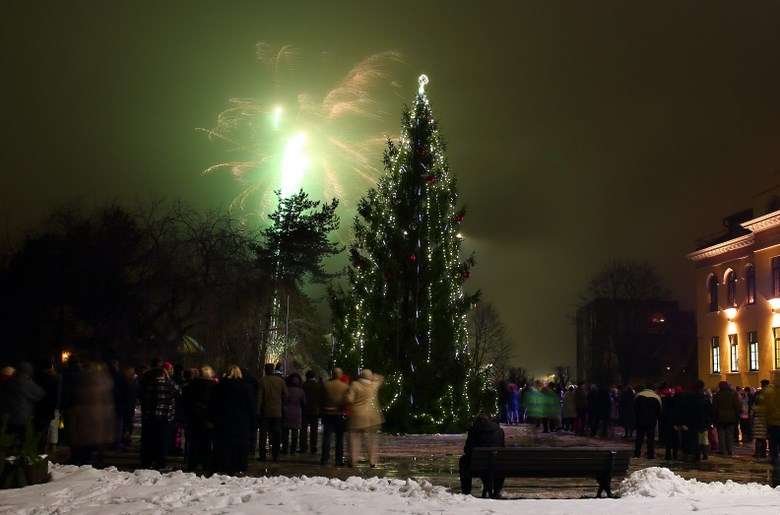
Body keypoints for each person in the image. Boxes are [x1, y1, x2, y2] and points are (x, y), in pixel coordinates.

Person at [66, 360, 115, 466]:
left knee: (84, 447)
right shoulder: (104, 382)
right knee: (92, 447)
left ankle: (85, 462)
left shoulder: (81, 381)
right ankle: (93, 462)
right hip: (96, 420)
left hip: (85, 421)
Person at [212, 366, 254, 474]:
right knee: (240, 444)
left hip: (225, 419)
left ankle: (224, 464)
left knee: (225, 443)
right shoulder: (246, 387)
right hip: (241, 420)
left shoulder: (221, 386)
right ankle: (239, 465)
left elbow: (215, 403)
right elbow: (250, 405)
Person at [140, 361, 178, 470]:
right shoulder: (169, 383)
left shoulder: (149, 383)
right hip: (165, 416)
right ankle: (160, 461)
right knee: (162, 440)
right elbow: (178, 391)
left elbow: (145, 399)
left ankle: (147, 461)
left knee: (149, 439)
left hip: (151, 416)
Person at [459, 412, 505, 498]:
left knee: (463, 460)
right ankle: (496, 490)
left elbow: (467, 450)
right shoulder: (499, 431)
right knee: (500, 461)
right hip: (495, 466)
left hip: (476, 467)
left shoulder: (473, 431)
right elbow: (502, 448)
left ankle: (466, 491)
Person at [345, 368, 384, 467]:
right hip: (372, 417)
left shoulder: (355, 385)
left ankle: (353, 460)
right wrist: (373, 377)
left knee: (354, 439)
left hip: (357, 416)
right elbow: (380, 378)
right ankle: (372, 461)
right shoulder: (374, 385)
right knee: (371, 440)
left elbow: (349, 399)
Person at [183, 365, 217, 471]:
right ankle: (206, 463)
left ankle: (192, 463)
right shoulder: (214, 387)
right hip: (208, 418)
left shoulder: (192, 385)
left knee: (193, 441)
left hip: (194, 417)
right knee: (206, 442)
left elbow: (186, 400)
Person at [0, 362, 45, 438]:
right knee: (18, 433)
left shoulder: (12, 382)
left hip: (12, 414)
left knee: (12, 433)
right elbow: (40, 394)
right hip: (21, 415)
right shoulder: (27, 383)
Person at [258, 363, 287, 462]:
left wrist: (258, 410)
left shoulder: (262, 381)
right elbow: (286, 395)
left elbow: (259, 398)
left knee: (263, 434)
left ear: (265, 370)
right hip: (277, 412)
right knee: (276, 434)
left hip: (265, 412)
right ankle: (276, 455)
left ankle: (262, 455)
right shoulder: (280, 381)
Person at [320, 367, 349, 466]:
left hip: (327, 413)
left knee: (327, 437)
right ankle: (338, 460)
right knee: (339, 438)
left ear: (332, 374)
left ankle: (324, 458)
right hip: (339, 414)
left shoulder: (326, 385)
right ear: (340, 375)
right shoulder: (344, 386)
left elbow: (321, 398)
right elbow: (346, 400)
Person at [712, 381, 741, 456]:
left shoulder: (717, 395)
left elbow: (714, 408)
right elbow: (737, 407)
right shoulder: (733, 394)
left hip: (720, 418)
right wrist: (736, 417)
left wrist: (714, 418)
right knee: (729, 434)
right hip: (731, 418)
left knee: (721, 435)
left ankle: (722, 450)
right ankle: (730, 450)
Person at [634, 384, 661, 459]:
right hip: (651, 421)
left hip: (640, 420)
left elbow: (635, 408)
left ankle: (637, 453)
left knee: (639, 438)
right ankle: (650, 454)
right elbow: (659, 410)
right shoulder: (656, 397)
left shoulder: (638, 396)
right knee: (650, 439)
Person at [282, 373, 306, 454]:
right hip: (297, 412)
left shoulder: (286, 389)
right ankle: (293, 449)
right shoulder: (301, 391)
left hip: (287, 411)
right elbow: (304, 403)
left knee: (285, 433)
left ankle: (285, 449)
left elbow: (283, 400)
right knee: (295, 433)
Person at [301, 370, 322, 454]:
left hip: (305, 410)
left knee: (303, 429)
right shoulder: (318, 386)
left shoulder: (303, 385)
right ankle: (313, 446)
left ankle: (303, 447)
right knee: (314, 430)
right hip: (315, 410)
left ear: (307, 376)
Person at [753, 379, 770, 459]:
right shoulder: (770, 394)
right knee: (765, 438)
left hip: (758, 420)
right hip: (767, 420)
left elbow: (753, 405)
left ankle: (757, 453)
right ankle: (764, 453)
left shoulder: (758, 394)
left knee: (758, 438)